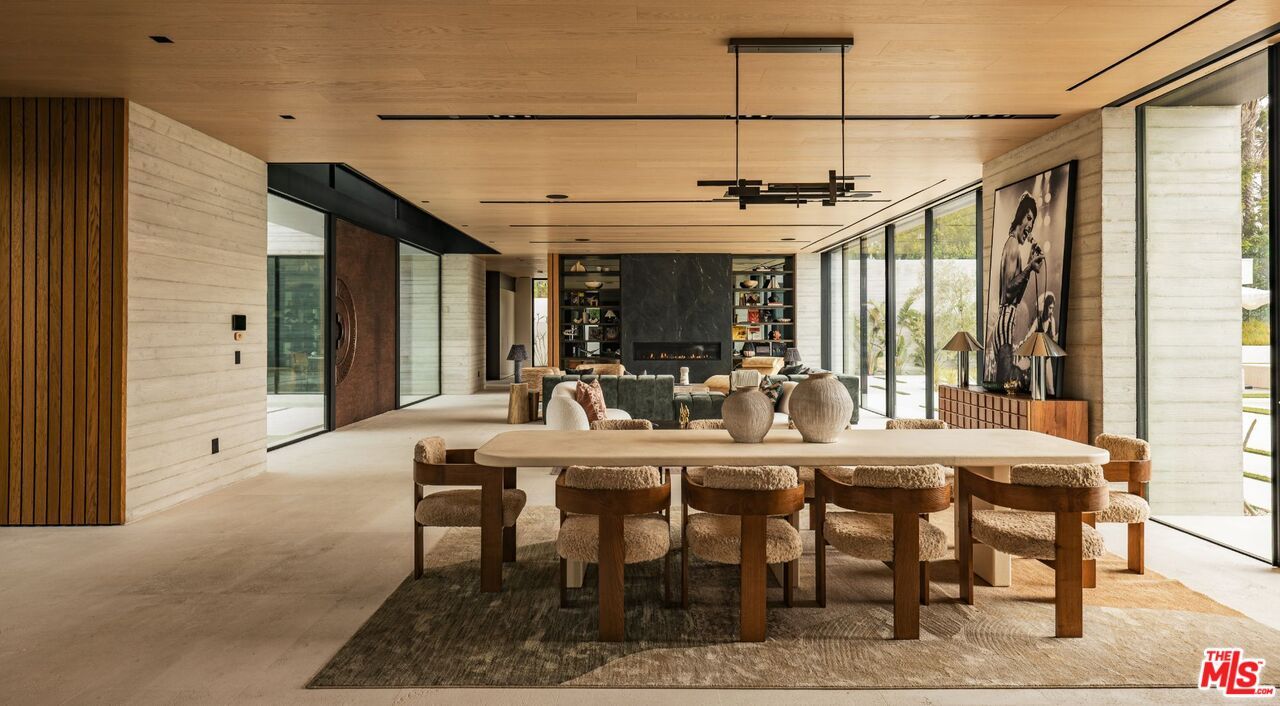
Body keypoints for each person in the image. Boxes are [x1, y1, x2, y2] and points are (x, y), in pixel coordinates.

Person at [990, 192, 1045, 388]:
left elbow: (1016, 291)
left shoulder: (1011, 244)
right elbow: (1008, 292)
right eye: (1029, 218)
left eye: (1033, 220)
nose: (1030, 225)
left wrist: (1030, 264)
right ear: (1020, 216)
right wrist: (1029, 267)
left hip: (1006, 321)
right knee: (1005, 386)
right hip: (1005, 322)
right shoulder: (1012, 244)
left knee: (1004, 382)